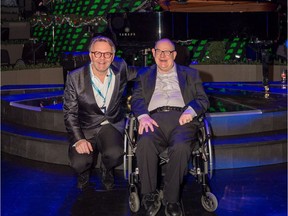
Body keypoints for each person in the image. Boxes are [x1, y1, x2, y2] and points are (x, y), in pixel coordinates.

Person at [131, 38, 210, 216]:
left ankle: (172, 199)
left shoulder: (191, 74)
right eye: (159, 51)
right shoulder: (143, 74)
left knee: (182, 147)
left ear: (174, 55)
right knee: (144, 144)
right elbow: (136, 99)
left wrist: (190, 111)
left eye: (168, 52)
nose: (163, 55)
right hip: (153, 119)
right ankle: (149, 194)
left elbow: (203, 99)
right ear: (153, 53)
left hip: (183, 118)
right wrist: (143, 116)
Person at [63, 36, 136, 191]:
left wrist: (165, 69)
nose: (102, 58)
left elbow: (140, 74)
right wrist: (79, 139)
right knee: (79, 163)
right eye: (98, 53)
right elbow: (69, 113)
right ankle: (84, 173)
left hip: (110, 124)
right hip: (85, 127)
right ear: (91, 55)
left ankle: (106, 169)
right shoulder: (75, 77)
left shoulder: (120, 67)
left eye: (107, 54)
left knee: (116, 154)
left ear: (113, 56)